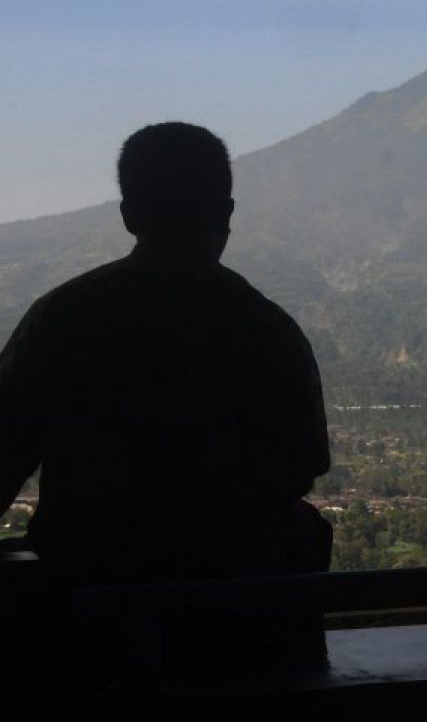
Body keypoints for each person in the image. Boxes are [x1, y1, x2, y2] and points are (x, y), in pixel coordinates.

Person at [0, 123, 331, 665]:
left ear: (129, 214)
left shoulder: (63, 320)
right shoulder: (266, 329)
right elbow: (304, 464)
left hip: (90, 629)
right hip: (244, 633)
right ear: (226, 213)